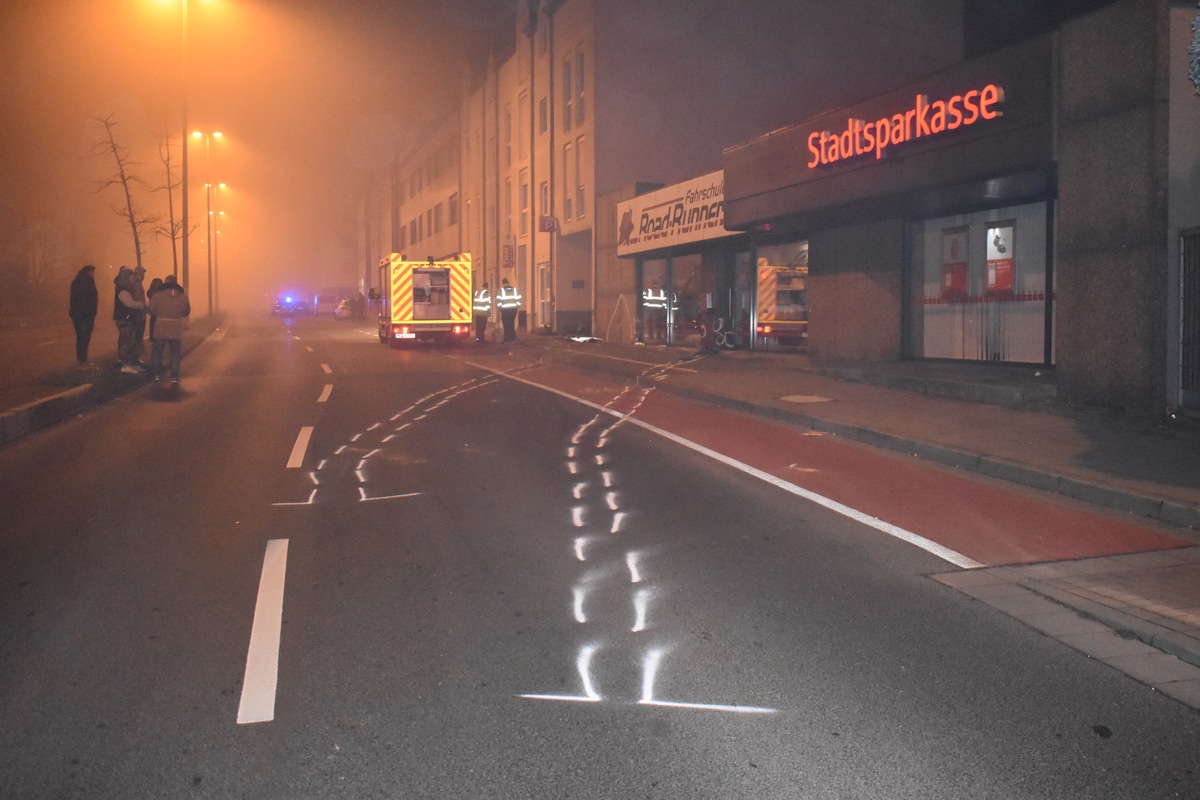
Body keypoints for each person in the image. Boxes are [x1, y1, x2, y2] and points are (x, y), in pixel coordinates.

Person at [146, 274, 190, 385]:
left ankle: (156, 375)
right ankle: (174, 376)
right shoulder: (183, 296)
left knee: (157, 352)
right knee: (175, 353)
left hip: (161, 327)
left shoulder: (158, 295)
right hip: (176, 327)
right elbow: (186, 312)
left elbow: (151, 310)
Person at [113, 266, 146, 373]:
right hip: (125, 318)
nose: (132, 279)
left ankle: (130, 363)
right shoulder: (123, 290)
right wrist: (141, 305)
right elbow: (129, 303)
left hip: (125, 317)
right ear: (126, 277)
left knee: (128, 341)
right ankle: (126, 365)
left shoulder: (124, 287)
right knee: (127, 342)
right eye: (131, 277)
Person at [68, 264, 98, 366]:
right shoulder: (89, 281)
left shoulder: (75, 281)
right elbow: (92, 298)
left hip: (76, 313)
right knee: (85, 337)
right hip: (86, 314)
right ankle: (83, 359)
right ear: (90, 272)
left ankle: (81, 358)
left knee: (80, 336)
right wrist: (92, 311)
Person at [129, 266, 149, 368]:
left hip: (138, 315)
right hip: (139, 315)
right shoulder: (137, 285)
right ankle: (134, 360)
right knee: (137, 338)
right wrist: (144, 308)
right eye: (143, 273)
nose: (144, 275)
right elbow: (138, 300)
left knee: (137, 338)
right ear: (139, 274)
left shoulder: (135, 283)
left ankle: (135, 359)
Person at [497, 278, 522, 343]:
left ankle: (506, 338)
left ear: (503, 283)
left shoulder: (501, 290)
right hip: (513, 310)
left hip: (505, 311)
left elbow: (499, 301)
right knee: (511, 323)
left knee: (506, 324)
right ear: (508, 282)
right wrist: (517, 306)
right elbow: (519, 298)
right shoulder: (514, 290)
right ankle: (512, 337)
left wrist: (500, 309)